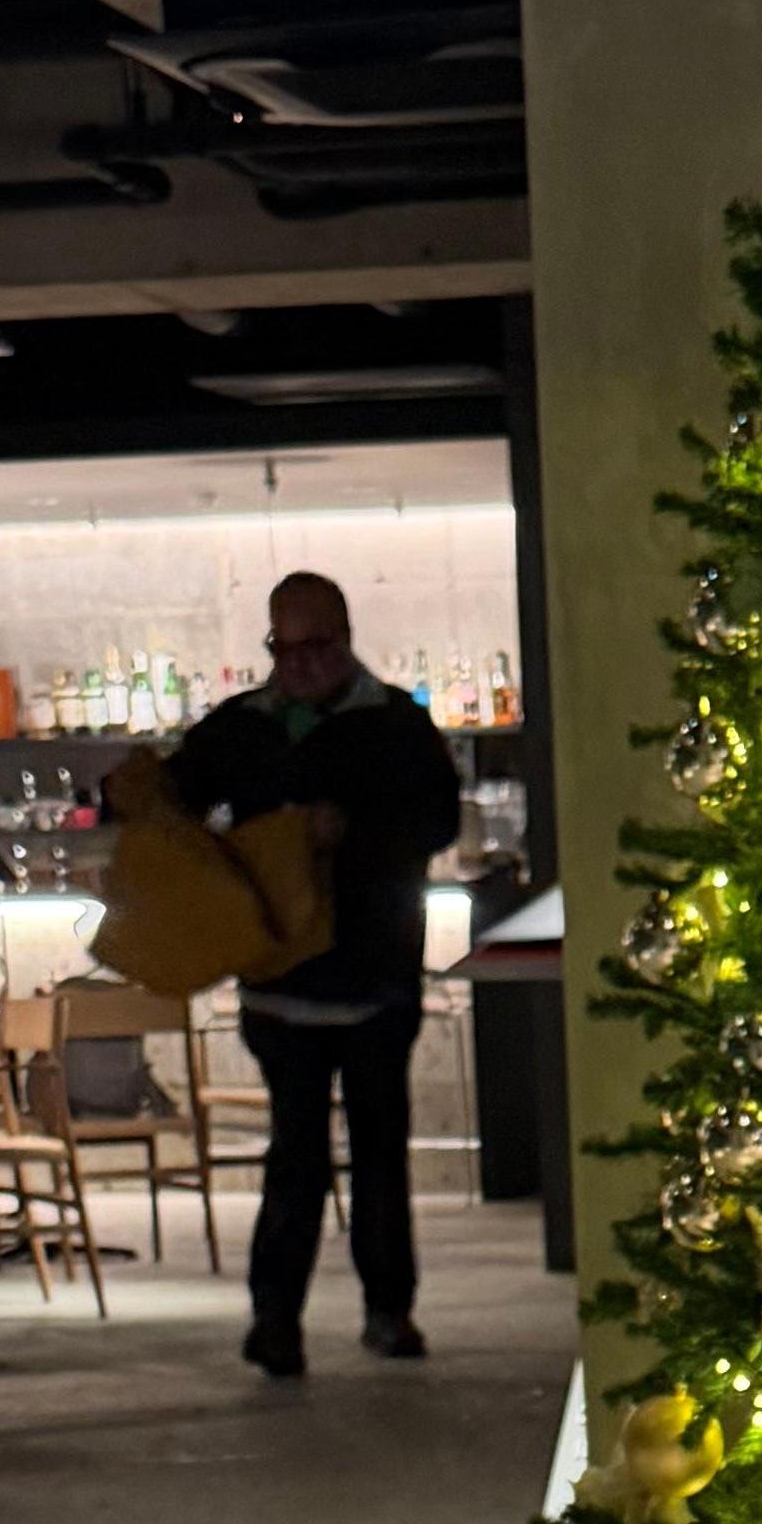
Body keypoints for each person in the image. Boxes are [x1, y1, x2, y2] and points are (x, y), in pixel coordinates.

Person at [165, 571, 468, 1376]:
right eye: (283, 647)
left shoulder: (396, 724)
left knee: (379, 1155)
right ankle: (276, 1323)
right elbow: (174, 799)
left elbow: (439, 821)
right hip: (280, 985)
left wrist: (352, 831)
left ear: (346, 638)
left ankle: (388, 1311)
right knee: (295, 1158)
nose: (298, 663)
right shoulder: (242, 727)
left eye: (314, 646)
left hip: (375, 981)